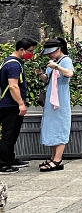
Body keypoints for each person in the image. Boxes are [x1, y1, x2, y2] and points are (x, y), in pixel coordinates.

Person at [35, 37, 74, 172]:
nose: (49, 55)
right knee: (52, 127)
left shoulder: (66, 60)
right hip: (51, 100)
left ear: (59, 49)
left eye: (51, 52)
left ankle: (58, 160)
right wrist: (40, 73)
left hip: (60, 99)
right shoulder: (54, 61)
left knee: (61, 126)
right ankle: (53, 157)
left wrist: (56, 66)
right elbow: (47, 79)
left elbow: (69, 73)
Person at [0, 38, 37, 174]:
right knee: (9, 134)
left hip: (9, 104)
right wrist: (21, 103)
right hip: (10, 104)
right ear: (21, 50)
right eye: (30, 51)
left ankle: (10, 158)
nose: (31, 54)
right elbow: (13, 86)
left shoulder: (10, 61)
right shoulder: (14, 65)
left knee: (13, 133)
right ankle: (3, 164)